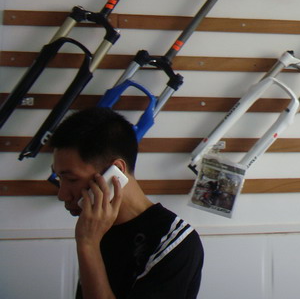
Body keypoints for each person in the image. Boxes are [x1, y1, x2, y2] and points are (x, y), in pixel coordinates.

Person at [50, 107, 204, 299]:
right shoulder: (98, 225)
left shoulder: (174, 243)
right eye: (60, 179)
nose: (62, 194)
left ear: (115, 172)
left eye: (72, 179)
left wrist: (88, 245)